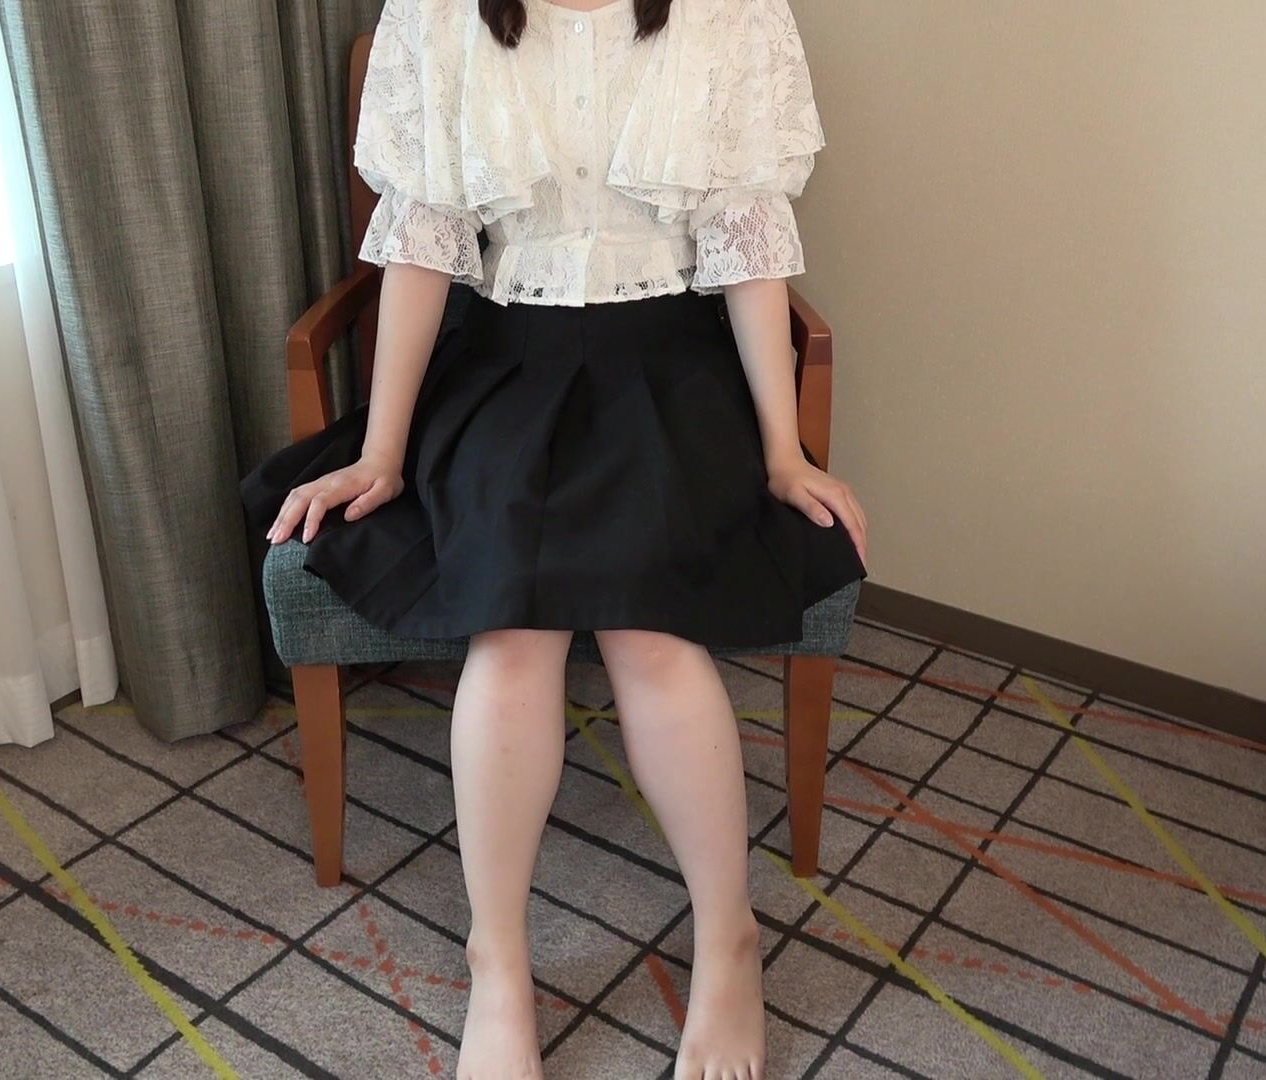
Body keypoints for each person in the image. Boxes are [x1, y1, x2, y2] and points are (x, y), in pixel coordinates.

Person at [241, 0, 867, 1075]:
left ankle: (729, 940)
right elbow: (423, 246)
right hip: (503, 371)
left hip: (671, 373)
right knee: (511, 634)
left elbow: (746, 243)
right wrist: (383, 450)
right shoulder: (436, 17)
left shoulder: (731, 16)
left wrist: (783, 451)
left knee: (653, 634)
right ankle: (498, 963)